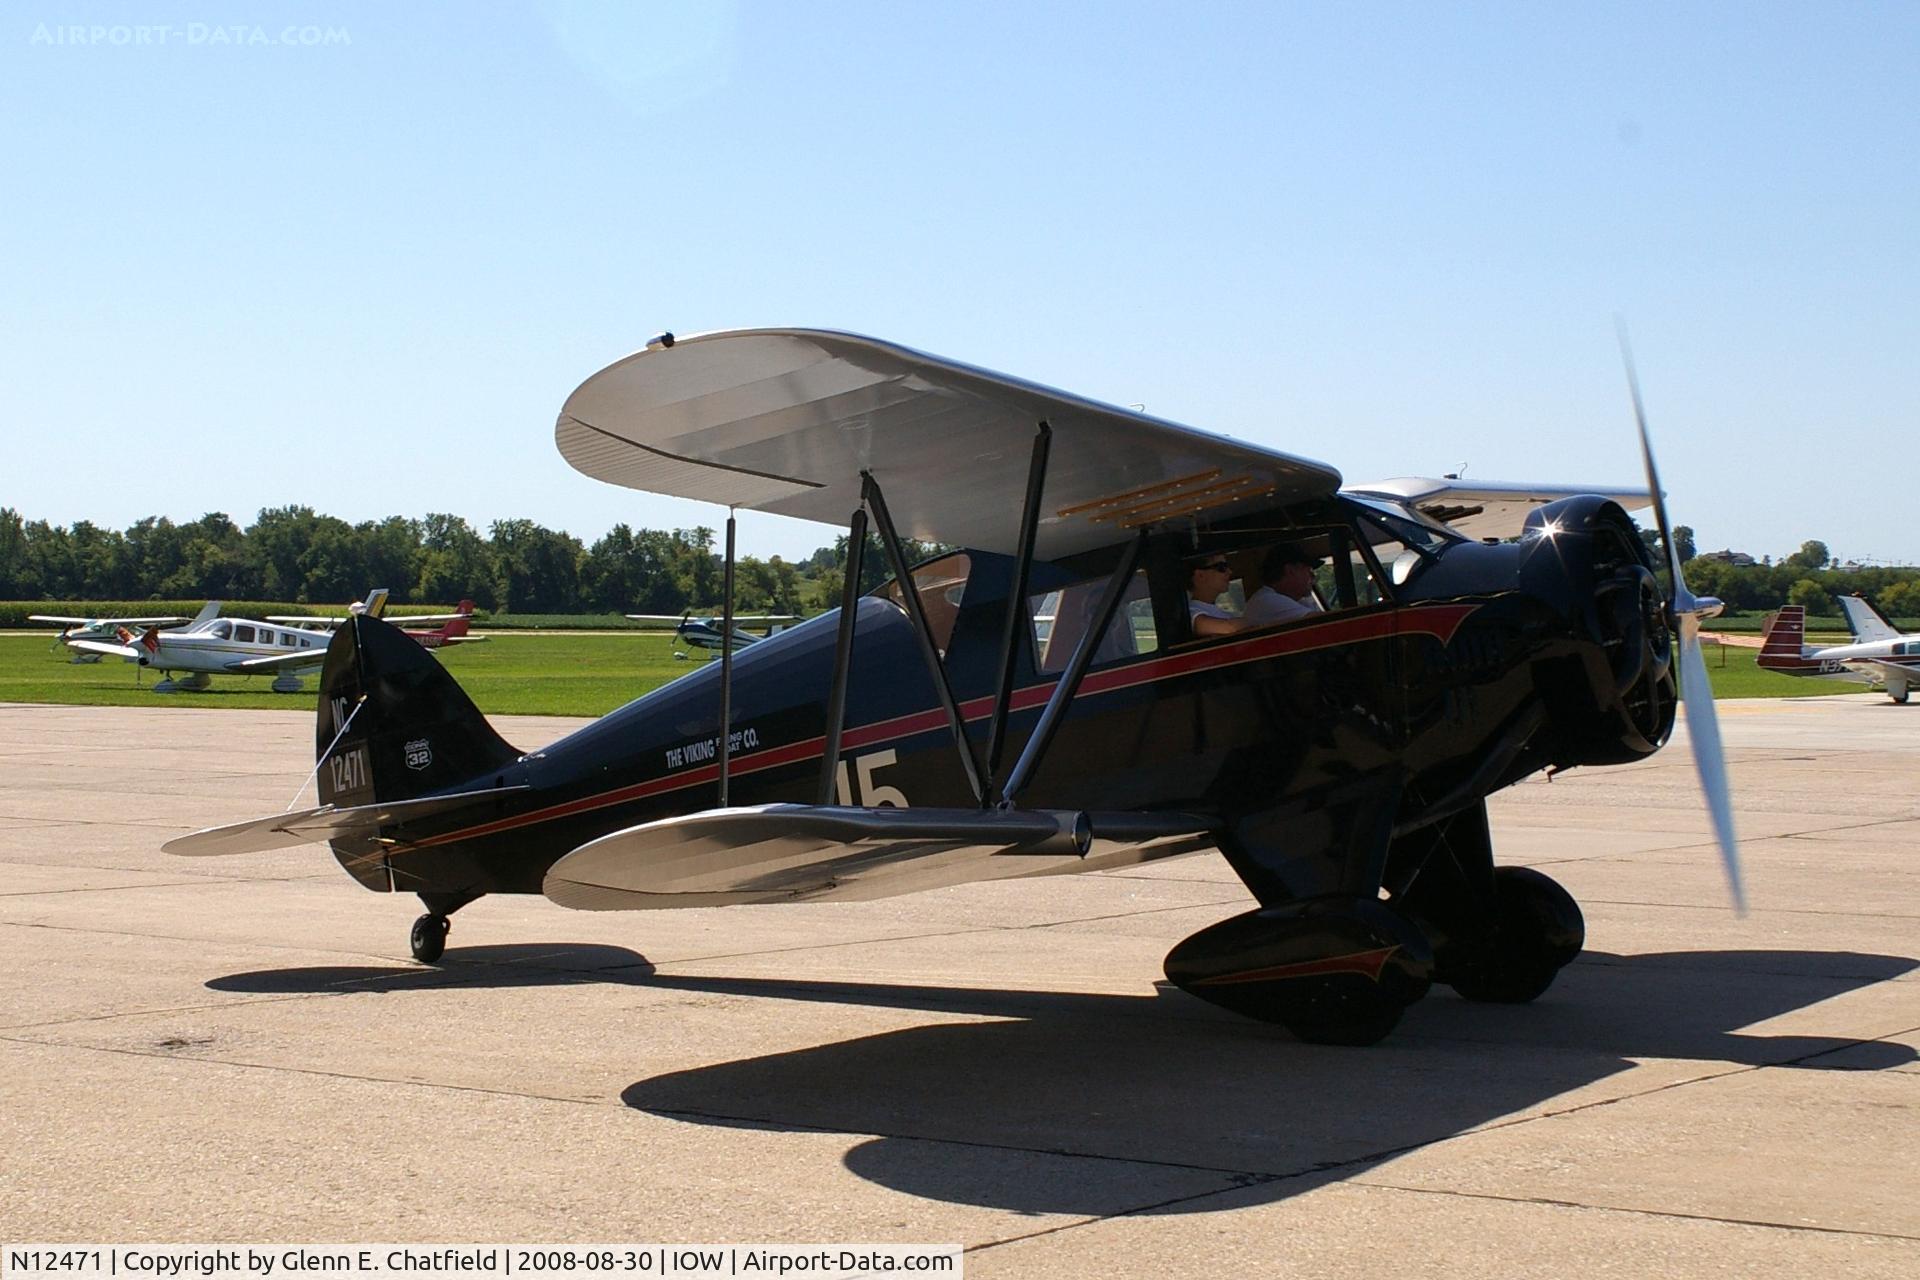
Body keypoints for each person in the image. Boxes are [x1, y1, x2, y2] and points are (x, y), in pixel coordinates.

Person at [1243, 544, 1325, 626]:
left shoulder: (1296, 600)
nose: (1313, 577)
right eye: (1309, 571)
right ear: (1290, 571)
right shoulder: (1266, 600)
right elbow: (1324, 622)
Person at [1187, 556, 1246, 637]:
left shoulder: (1223, 613)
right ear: (1200, 575)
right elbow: (1230, 628)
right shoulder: (1191, 612)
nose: (1229, 572)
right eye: (1221, 567)